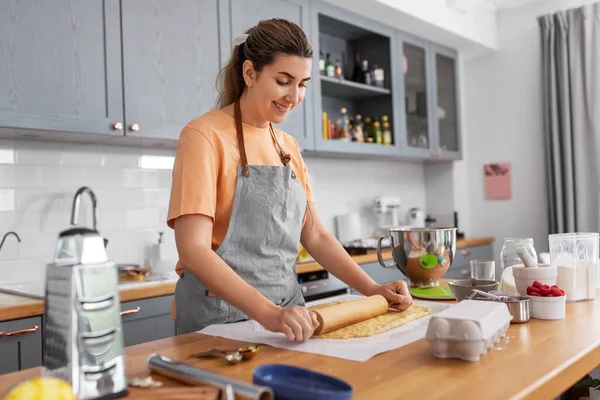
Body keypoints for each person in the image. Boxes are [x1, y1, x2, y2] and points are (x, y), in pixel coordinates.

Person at [167, 18, 412, 342]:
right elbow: (194, 249)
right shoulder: (203, 136)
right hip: (218, 321)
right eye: (284, 81)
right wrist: (269, 314)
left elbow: (315, 235)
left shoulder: (287, 145)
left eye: (303, 83)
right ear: (250, 73)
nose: (294, 96)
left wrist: (372, 288)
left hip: (289, 316)